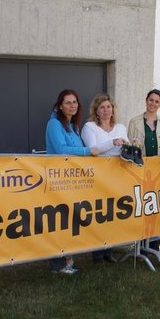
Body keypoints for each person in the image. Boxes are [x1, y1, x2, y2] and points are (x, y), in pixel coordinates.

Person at [45, 89, 98, 274]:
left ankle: (68, 261)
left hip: (72, 180)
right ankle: (57, 265)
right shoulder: (54, 124)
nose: (72, 105)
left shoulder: (73, 126)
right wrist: (88, 151)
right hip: (58, 180)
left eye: (74, 102)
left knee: (69, 222)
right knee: (58, 222)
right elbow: (61, 149)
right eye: (68, 102)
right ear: (60, 106)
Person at [81, 93, 128, 263]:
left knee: (113, 214)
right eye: (102, 107)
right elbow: (93, 149)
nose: (106, 110)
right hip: (98, 177)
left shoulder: (121, 128)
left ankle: (109, 252)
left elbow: (126, 148)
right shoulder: (90, 127)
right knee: (99, 215)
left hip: (117, 176)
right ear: (96, 111)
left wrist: (133, 143)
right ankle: (97, 254)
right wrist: (112, 143)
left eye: (109, 107)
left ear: (113, 110)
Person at [128, 88, 160, 251]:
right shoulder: (134, 122)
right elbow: (129, 148)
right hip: (141, 173)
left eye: (156, 101)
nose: (153, 103)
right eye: (151, 100)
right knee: (143, 208)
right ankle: (140, 246)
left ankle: (155, 245)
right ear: (146, 101)